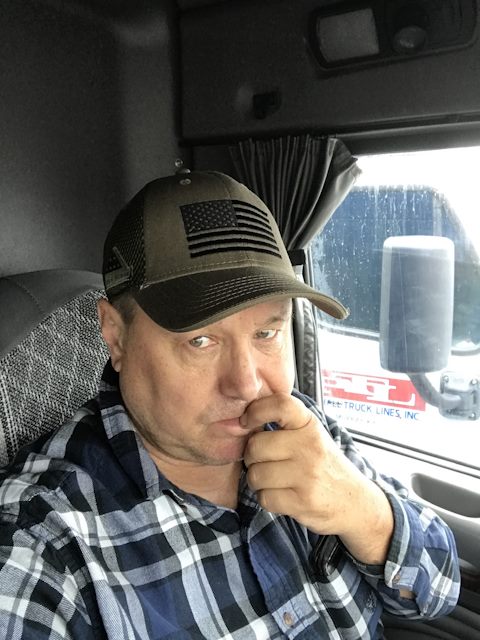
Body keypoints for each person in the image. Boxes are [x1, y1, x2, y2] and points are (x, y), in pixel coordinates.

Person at [0, 171, 459, 639]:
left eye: (267, 333)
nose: (247, 384)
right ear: (116, 337)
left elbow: (440, 590)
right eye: (200, 340)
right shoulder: (43, 542)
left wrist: (363, 512)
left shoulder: (303, 431)